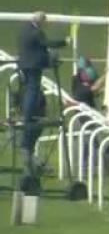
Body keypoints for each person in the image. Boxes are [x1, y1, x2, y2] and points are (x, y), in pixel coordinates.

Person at [17, 11, 67, 175]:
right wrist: (65, 42)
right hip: (33, 66)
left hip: (24, 64)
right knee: (32, 91)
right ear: (41, 21)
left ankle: (27, 114)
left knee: (29, 91)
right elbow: (47, 43)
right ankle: (28, 115)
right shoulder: (37, 32)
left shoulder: (24, 30)